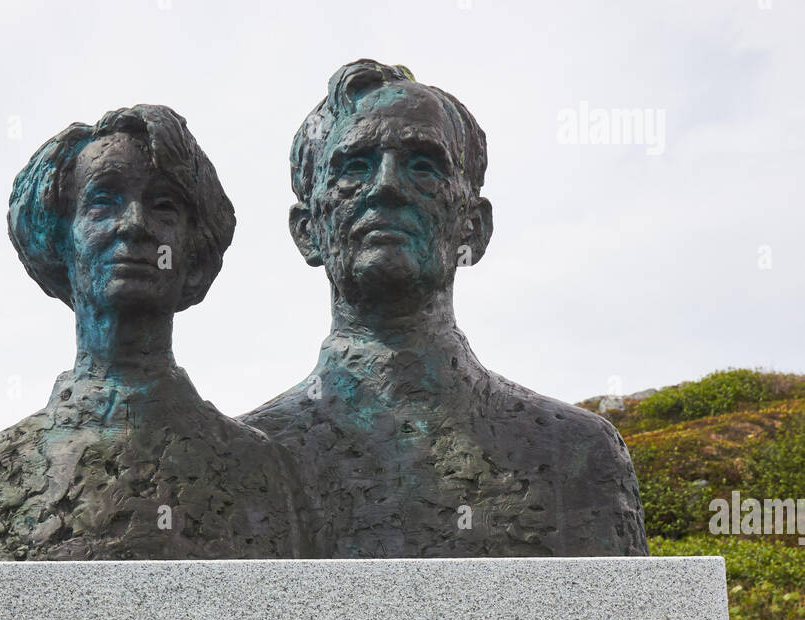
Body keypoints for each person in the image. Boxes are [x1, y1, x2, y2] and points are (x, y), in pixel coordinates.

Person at [243, 60, 648, 558]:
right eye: (353, 167)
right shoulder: (243, 463)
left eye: (423, 166)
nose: (386, 186)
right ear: (307, 232)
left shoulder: (577, 455)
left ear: (473, 228)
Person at [0, 104, 305, 561]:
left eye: (163, 206)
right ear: (59, 243)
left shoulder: (255, 469)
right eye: (103, 201)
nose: (135, 224)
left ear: (193, 253)